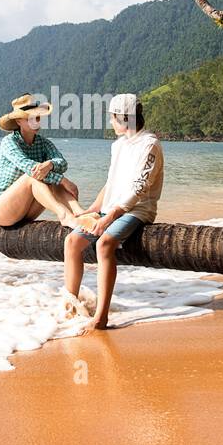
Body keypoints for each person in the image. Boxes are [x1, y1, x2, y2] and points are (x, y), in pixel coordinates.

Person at [64, 93, 164, 332]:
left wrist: (109, 217)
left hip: (139, 209)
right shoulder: (118, 145)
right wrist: (92, 210)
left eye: (112, 118)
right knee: (71, 242)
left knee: (104, 244)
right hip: (112, 208)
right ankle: (70, 306)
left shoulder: (150, 144)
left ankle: (101, 316)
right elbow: (111, 183)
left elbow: (139, 188)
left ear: (124, 118)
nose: (110, 122)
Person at [0, 94, 88, 228]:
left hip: (27, 210)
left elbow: (62, 163)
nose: (36, 122)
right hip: (1, 210)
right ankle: (63, 215)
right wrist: (64, 180)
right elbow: (29, 167)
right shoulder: (9, 142)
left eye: (38, 118)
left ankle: (79, 213)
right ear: (18, 121)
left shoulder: (44, 143)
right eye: (30, 118)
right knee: (33, 177)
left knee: (52, 180)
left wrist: (50, 164)